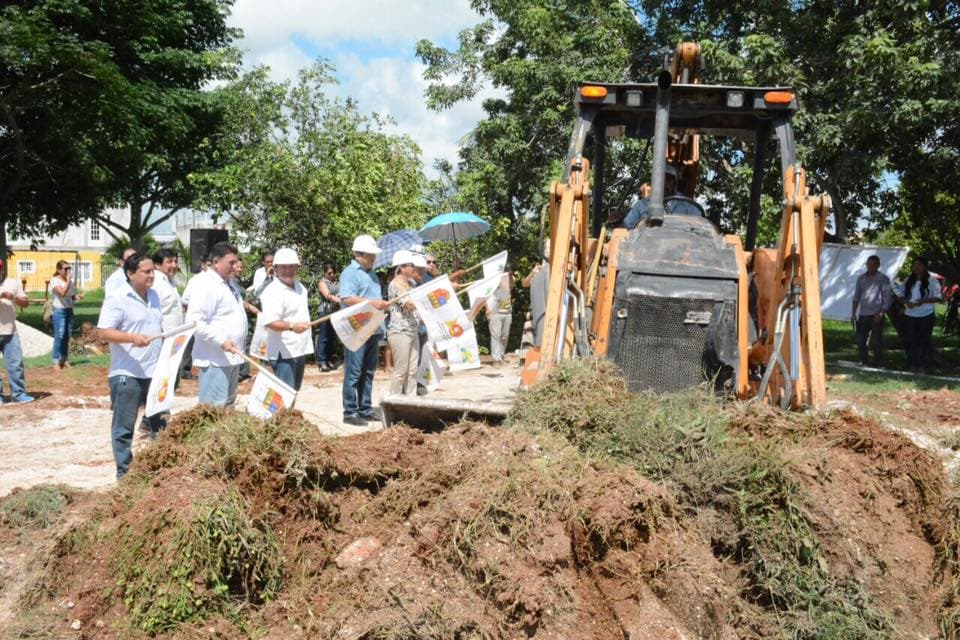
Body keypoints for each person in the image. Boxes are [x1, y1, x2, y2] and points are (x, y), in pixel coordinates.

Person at [96, 253, 165, 479]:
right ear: (130, 274)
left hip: (154, 372)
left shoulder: (154, 296)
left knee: (160, 425)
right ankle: (125, 475)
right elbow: (103, 332)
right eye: (146, 272)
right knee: (124, 428)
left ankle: (160, 471)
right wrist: (131, 338)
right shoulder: (117, 298)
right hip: (127, 374)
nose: (152, 275)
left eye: (153, 270)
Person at [185, 242, 248, 407]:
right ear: (215, 262)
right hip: (215, 360)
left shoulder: (229, 283)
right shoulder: (206, 284)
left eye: (236, 262)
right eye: (231, 263)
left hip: (233, 357)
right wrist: (221, 340)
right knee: (214, 410)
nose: (235, 267)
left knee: (227, 408)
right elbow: (195, 322)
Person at [340, 235, 390, 426]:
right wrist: (372, 303)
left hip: (373, 327)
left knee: (368, 371)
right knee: (354, 371)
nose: (374, 258)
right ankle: (350, 411)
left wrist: (380, 305)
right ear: (359, 255)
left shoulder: (372, 273)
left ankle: (365, 409)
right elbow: (346, 297)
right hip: (356, 329)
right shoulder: (350, 273)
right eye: (370, 255)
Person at [260, 248, 313, 391]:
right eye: (284, 267)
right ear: (275, 268)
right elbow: (271, 322)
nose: (288, 270)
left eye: (292, 266)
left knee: (293, 392)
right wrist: (291, 327)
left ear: (297, 268)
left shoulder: (300, 287)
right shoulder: (272, 292)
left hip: (299, 348)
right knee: (283, 395)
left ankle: (288, 414)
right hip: (283, 353)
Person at [622, 165, 702, 229]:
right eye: (660, 179)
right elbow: (626, 227)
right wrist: (619, 222)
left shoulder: (687, 205)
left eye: (668, 180)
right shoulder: (642, 205)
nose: (664, 183)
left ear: (674, 184)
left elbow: (699, 226)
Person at [386, 251, 420, 396]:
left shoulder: (411, 284)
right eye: (411, 265)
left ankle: (410, 402)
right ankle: (393, 402)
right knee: (401, 370)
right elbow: (409, 305)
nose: (414, 268)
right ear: (401, 267)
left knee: (412, 371)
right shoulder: (394, 285)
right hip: (400, 332)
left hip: (413, 330)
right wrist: (423, 301)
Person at [0, 258, 34, 404]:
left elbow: (25, 303)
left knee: (15, 364)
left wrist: (12, 297)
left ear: (2, 269)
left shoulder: (13, 283)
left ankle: (18, 394)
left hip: (10, 332)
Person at [850, 254, 893, 367]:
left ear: (878, 265)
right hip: (863, 313)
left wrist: (881, 312)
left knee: (876, 341)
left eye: (873, 265)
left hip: (876, 313)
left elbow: (887, 297)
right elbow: (856, 296)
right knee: (860, 339)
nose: (871, 267)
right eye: (869, 264)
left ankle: (878, 362)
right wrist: (853, 313)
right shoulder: (861, 278)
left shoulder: (883, 278)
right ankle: (864, 361)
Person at [902, 256, 942, 373]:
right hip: (910, 314)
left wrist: (923, 301)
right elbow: (901, 293)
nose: (916, 267)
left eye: (919, 265)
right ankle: (912, 364)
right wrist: (905, 302)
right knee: (910, 340)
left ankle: (926, 366)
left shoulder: (932, 280)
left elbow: (939, 297)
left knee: (925, 340)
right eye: (914, 265)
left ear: (924, 267)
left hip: (926, 314)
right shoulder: (909, 279)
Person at [48, 260, 79, 369]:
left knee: (67, 336)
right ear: (58, 270)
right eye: (65, 269)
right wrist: (69, 280)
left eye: (69, 268)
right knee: (59, 336)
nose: (68, 271)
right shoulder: (54, 281)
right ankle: (56, 361)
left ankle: (64, 359)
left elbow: (71, 296)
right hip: (59, 311)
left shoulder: (70, 281)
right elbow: (62, 293)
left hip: (69, 310)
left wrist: (76, 297)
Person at [522, 239, 551, 347]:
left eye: (550, 248)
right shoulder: (538, 270)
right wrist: (533, 273)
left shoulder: (553, 269)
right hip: (536, 312)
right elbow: (525, 284)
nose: (548, 250)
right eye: (547, 248)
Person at [315, 263, 341, 372]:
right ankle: (321, 361)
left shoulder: (337, 282)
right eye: (329, 273)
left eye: (333, 272)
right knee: (324, 336)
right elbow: (327, 295)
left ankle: (329, 360)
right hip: (325, 311)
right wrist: (338, 299)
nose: (332, 274)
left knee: (331, 337)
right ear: (325, 273)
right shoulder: (322, 282)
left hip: (335, 312)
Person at [151, 248, 184, 331]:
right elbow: (152, 314)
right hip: (164, 337)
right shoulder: (155, 283)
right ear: (157, 265)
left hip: (176, 336)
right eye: (169, 262)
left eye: (176, 261)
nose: (174, 265)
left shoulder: (171, 281)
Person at [487, 270, 514, 366]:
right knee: (496, 336)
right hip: (495, 312)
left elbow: (511, 286)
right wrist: (487, 309)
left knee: (504, 336)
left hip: (507, 312)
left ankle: (501, 355)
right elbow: (486, 295)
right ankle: (496, 359)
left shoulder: (509, 279)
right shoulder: (493, 280)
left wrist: (509, 276)